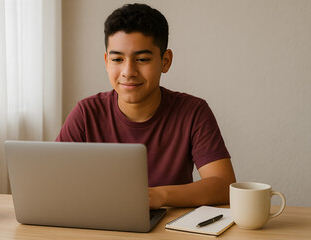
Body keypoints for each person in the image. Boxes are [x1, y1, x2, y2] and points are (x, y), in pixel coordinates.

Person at [56, 3, 236, 209]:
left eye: (142, 59)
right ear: (106, 62)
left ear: (165, 61)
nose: (128, 71)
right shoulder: (86, 113)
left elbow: (224, 185)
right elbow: (53, 180)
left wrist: (158, 196)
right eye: (117, 59)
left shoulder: (193, 112)